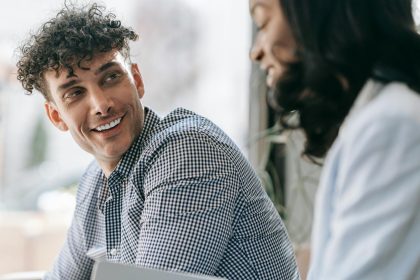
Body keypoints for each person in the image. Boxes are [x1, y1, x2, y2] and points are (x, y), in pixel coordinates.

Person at [16, 3, 300, 280]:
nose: (101, 104)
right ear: (56, 117)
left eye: (111, 77)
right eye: (75, 93)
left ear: (137, 80)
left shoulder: (188, 153)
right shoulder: (94, 182)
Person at [249, 0, 420, 279]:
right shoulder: (374, 122)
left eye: (263, 23)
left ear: (317, 12)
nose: (255, 51)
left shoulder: (391, 126)